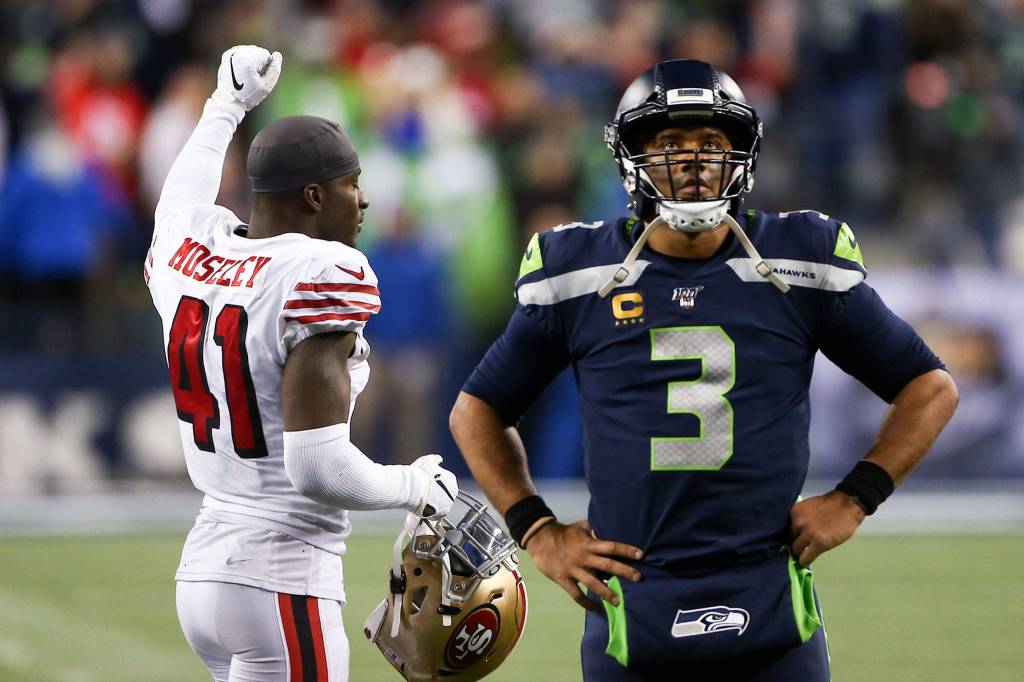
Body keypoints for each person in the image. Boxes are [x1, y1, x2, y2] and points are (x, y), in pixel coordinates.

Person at [449, 59, 958, 681]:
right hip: (633, 609)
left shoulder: (799, 262)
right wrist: (537, 531)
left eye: (712, 143)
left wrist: (856, 498)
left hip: (771, 601)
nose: (692, 161)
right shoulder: (578, 272)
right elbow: (477, 409)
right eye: (670, 143)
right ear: (632, 157)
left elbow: (930, 387)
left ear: (742, 154)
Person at [146, 45, 458, 681]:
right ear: (315, 195)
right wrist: (417, 488)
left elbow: (177, 201)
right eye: (352, 184)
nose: (364, 201)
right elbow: (316, 467)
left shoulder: (188, 256)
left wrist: (224, 105)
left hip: (205, 565)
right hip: (281, 573)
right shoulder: (316, 272)